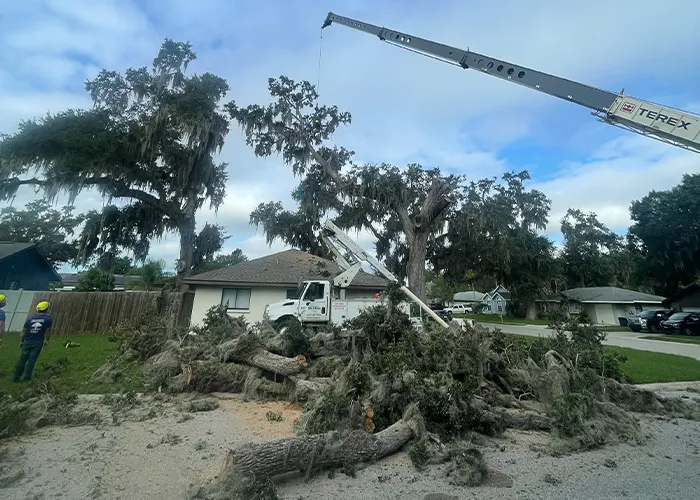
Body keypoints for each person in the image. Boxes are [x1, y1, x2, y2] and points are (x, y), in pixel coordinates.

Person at [14, 301, 53, 383]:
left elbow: (24, 330)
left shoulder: (30, 318)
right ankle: (27, 377)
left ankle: (16, 377)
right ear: (46, 309)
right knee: (31, 360)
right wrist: (47, 340)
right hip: (37, 342)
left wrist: (21, 341)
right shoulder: (48, 318)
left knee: (22, 359)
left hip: (27, 341)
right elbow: (48, 330)